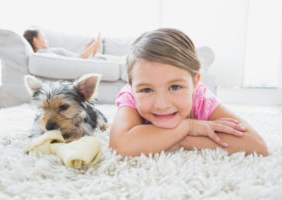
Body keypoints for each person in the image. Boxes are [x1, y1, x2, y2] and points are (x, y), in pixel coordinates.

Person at [109, 28, 268, 157]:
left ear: (195, 82)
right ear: (132, 86)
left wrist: (181, 141)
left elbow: (256, 146)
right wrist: (188, 127)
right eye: (147, 90)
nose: (162, 104)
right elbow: (120, 147)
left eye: (175, 87)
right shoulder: (131, 96)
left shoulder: (200, 98)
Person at [23, 29, 101, 58]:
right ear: (35, 41)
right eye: (43, 38)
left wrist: (88, 48)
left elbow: (77, 58)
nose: (47, 40)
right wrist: (94, 46)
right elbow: (78, 60)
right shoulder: (43, 54)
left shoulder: (46, 53)